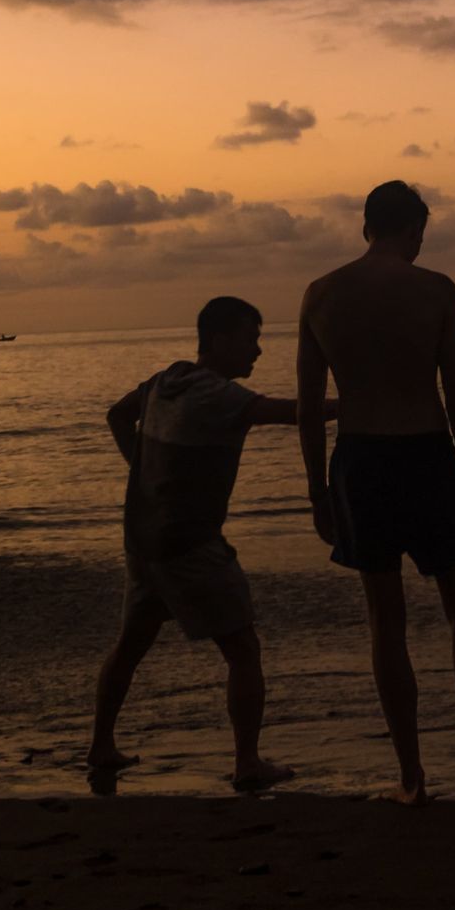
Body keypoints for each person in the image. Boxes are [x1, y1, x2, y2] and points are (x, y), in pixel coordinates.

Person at [298, 180, 455, 804]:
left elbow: (305, 406)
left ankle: (411, 777)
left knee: (386, 622)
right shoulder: (435, 290)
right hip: (425, 455)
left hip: (359, 462)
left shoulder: (320, 295)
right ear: (413, 231)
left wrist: (318, 492)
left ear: (364, 226)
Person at [90, 295, 322, 791]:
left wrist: (143, 472)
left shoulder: (166, 381)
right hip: (188, 545)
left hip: (144, 541)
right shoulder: (219, 396)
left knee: (130, 646)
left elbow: (116, 415)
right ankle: (247, 763)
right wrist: (367, 404)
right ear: (219, 340)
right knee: (242, 647)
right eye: (250, 339)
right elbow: (293, 414)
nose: (258, 351)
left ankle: (101, 746)